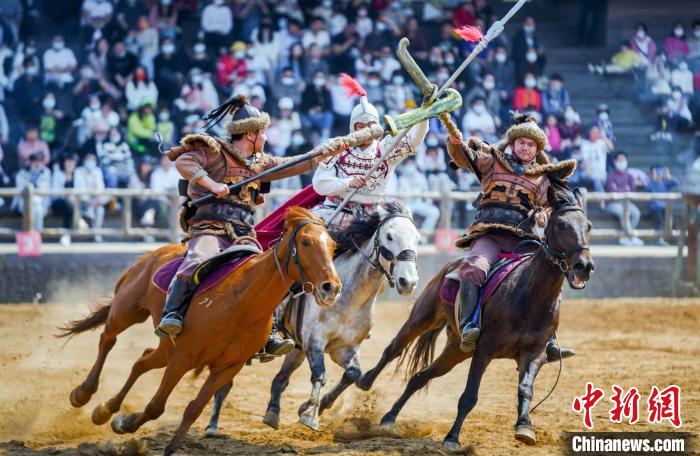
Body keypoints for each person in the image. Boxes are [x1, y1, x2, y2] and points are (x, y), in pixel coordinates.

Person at [156, 95, 351, 358]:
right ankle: (173, 313)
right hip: (210, 227)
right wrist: (214, 186)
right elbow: (183, 162)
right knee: (198, 258)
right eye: (263, 133)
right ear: (250, 134)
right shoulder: (214, 151)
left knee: (269, 272)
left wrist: (328, 151)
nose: (267, 138)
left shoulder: (261, 163)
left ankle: (267, 333)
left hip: (243, 234)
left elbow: (297, 163)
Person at [444, 113, 576, 358]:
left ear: (537, 149)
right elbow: (463, 157)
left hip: (524, 241)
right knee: (474, 268)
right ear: (513, 143)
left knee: (549, 276)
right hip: (490, 235)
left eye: (530, 145)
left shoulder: (543, 178)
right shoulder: (492, 162)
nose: (525, 148)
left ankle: (549, 339)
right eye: (521, 143)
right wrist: (454, 141)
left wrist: (542, 215)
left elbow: (547, 208)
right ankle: (468, 326)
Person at [311, 76, 428, 233]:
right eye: (361, 126)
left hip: (371, 218)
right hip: (334, 211)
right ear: (353, 127)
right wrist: (348, 182)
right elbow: (319, 184)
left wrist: (425, 114)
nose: (366, 130)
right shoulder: (337, 147)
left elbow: (414, 140)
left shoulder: (386, 148)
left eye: (371, 125)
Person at [605, 151, 643, 246]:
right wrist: (625, 189)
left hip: (626, 203)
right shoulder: (610, 175)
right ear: (614, 161)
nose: (622, 162)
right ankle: (630, 236)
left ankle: (626, 237)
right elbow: (611, 190)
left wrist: (619, 189)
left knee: (636, 213)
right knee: (623, 212)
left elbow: (632, 191)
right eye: (619, 160)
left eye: (624, 160)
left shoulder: (630, 176)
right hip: (612, 203)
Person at [647, 165, 679, 246]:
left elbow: (676, 183)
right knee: (659, 220)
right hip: (654, 207)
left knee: (670, 220)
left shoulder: (664, 183)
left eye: (658, 172)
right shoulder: (649, 182)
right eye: (654, 172)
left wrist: (668, 176)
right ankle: (659, 239)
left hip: (664, 207)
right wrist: (654, 179)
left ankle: (673, 239)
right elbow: (648, 188)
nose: (657, 174)